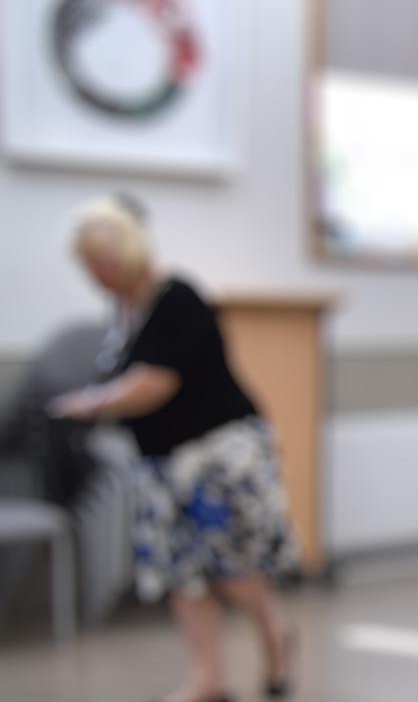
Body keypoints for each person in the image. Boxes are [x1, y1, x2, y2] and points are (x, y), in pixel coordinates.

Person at [49, 196, 299, 702]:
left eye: (100, 263)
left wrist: (90, 403)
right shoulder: (124, 313)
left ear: (126, 255)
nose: (94, 275)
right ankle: (206, 679)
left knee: (235, 570)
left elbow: (155, 384)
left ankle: (275, 637)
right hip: (163, 464)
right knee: (183, 576)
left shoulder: (177, 297)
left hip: (218, 457)